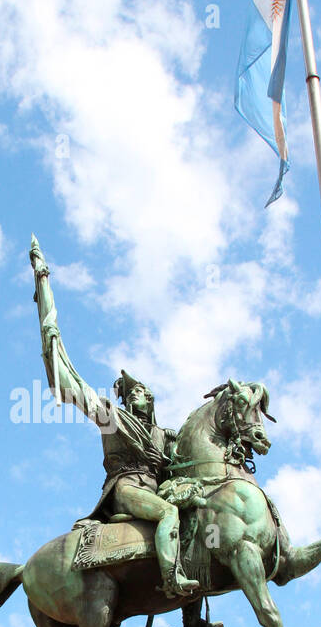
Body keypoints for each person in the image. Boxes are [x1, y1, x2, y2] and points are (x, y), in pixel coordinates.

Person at [30, 237, 201, 599]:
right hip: (126, 490)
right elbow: (74, 386)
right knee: (169, 514)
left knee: (201, 527)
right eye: (132, 392)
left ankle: (192, 618)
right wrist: (49, 316)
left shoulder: (163, 435)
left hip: (155, 488)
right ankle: (172, 582)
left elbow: (182, 465)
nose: (137, 395)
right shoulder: (114, 418)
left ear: (151, 401)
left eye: (143, 392)